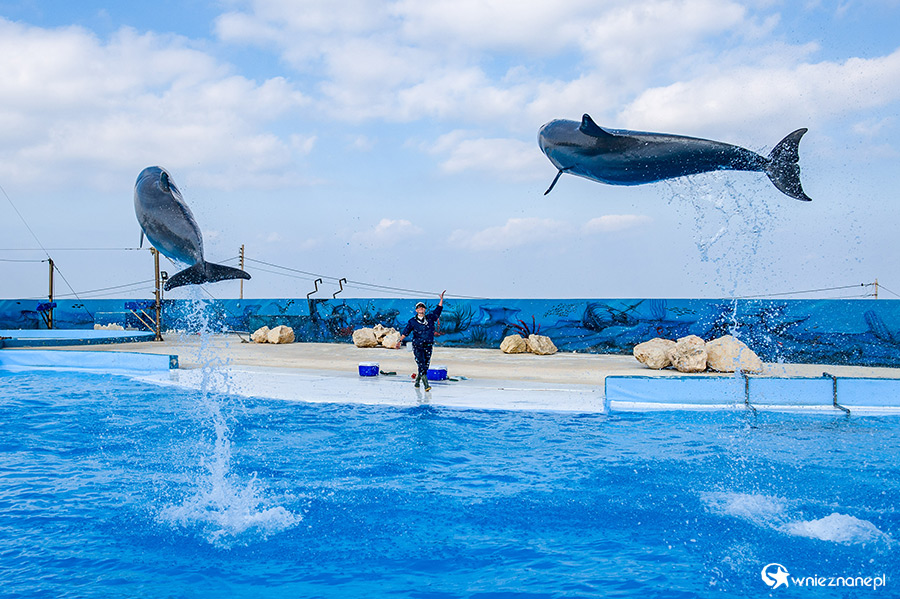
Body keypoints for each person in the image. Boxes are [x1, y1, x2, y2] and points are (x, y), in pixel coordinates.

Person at [396, 291, 445, 391]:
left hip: (428, 345)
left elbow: (438, 311)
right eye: (419, 307)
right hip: (418, 345)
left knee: (426, 365)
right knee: (421, 364)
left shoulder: (430, 318)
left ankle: (418, 381)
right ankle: (426, 385)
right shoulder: (412, 321)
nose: (421, 309)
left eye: (422, 307)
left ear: (425, 309)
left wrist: (441, 300)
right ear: (416, 310)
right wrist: (399, 341)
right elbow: (406, 331)